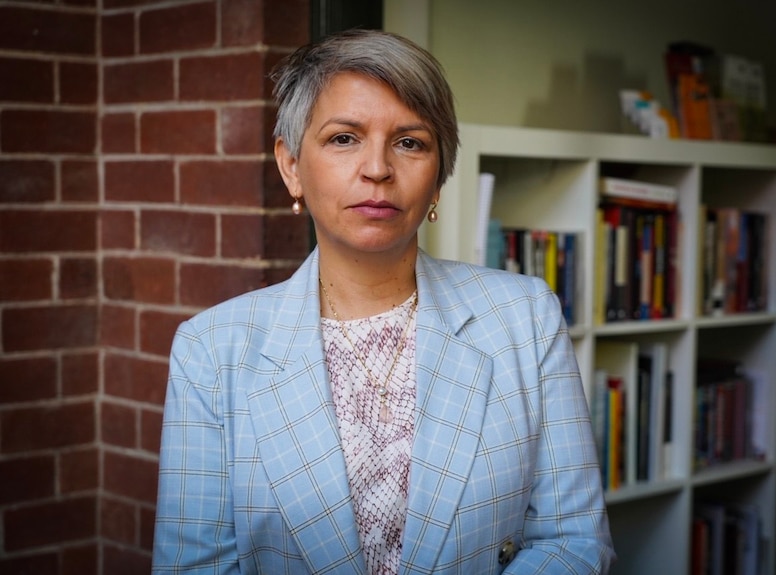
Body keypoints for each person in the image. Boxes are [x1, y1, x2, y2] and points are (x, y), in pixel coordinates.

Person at [152, 29, 614, 574]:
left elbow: (573, 540)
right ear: (292, 165)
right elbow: (194, 567)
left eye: (410, 142)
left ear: (439, 176)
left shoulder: (524, 317)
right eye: (344, 138)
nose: (377, 168)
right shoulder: (211, 350)